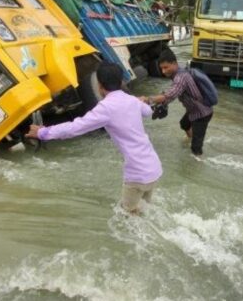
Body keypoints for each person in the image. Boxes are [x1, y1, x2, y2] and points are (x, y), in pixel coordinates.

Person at [26, 62, 162, 215]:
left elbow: (75, 127)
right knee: (144, 212)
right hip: (154, 168)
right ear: (121, 82)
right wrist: (140, 100)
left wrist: (42, 133)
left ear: (100, 85)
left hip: (137, 174)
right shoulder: (132, 100)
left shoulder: (105, 108)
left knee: (127, 217)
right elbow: (148, 112)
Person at [140, 49, 213, 157]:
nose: (163, 71)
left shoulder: (181, 77)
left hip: (202, 113)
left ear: (174, 63)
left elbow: (169, 94)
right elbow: (174, 93)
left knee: (196, 149)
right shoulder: (178, 74)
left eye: (166, 67)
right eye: (161, 68)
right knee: (184, 124)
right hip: (193, 110)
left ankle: (197, 161)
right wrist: (160, 104)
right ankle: (191, 139)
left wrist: (148, 99)